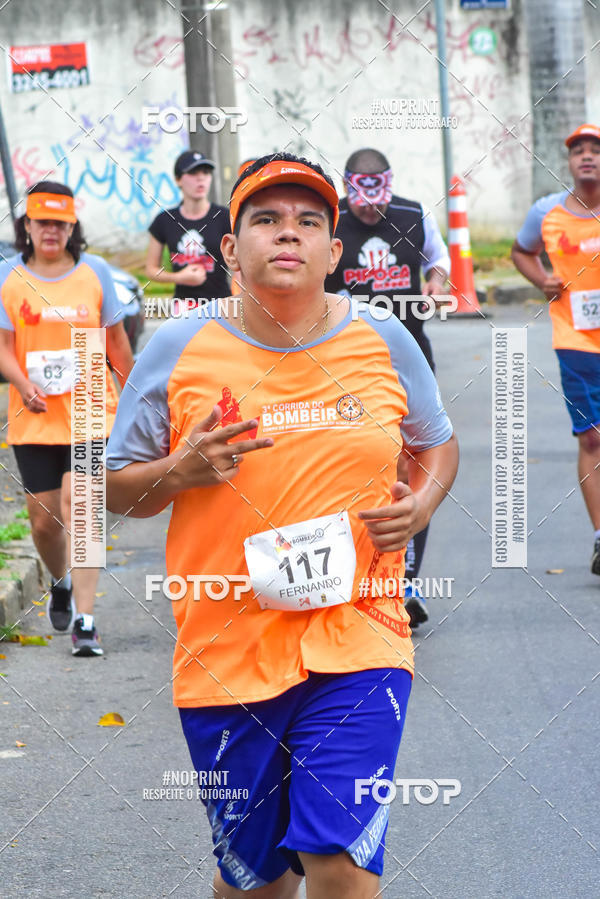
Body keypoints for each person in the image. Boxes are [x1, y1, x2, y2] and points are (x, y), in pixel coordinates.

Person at [105, 152, 458, 898]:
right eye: (265, 219)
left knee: (337, 857)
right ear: (230, 249)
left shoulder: (385, 338)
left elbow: (437, 443)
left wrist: (419, 505)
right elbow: (114, 491)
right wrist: (182, 471)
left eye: (307, 221)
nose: (286, 234)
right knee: (257, 879)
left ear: (335, 250)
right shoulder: (178, 346)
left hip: (361, 632)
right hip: (226, 650)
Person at [0, 181, 133, 655]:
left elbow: (117, 345)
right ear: (28, 225)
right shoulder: (8, 276)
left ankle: (86, 621)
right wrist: (21, 382)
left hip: (91, 409)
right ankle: (59, 581)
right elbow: (3, 348)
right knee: (43, 521)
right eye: (42, 222)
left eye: (60, 222)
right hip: (34, 414)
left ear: (71, 225)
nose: (51, 231)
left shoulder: (94, 273)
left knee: (82, 506)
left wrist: (140, 402)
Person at [325, 147, 451, 627]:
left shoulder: (413, 214)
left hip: (411, 358)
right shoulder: (330, 219)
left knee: (413, 460)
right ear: (348, 187)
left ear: (389, 185)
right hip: (348, 361)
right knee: (361, 461)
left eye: (376, 194)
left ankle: (405, 579)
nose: (368, 206)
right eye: (359, 195)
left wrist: (436, 285)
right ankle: (354, 575)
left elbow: (437, 261)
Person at [512, 123, 600, 575]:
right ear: (568, 161)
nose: (587, 156)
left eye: (595, 149)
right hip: (576, 339)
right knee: (592, 436)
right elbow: (521, 251)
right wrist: (540, 279)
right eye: (578, 150)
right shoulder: (546, 212)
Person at [146, 151, 230, 312]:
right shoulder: (164, 220)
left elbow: (242, 267)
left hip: (222, 307)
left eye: (205, 172)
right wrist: (179, 277)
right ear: (178, 180)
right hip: (183, 308)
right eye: (193, 172)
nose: (201, 178)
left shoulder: (224, 217)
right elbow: (151, 269)